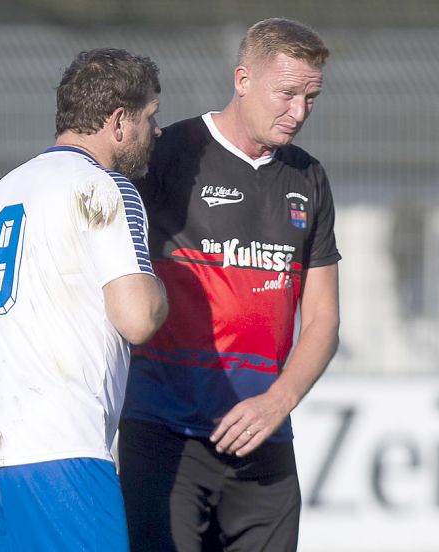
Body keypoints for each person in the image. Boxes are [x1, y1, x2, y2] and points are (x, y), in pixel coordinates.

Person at [118, 18, 341, 552]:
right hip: (164, 435)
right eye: (286, 94)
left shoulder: (308, 178)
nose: (299, 112)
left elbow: (324, 320)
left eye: (311, 97)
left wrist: (278, 402)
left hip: (263, 439)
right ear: (242, 80)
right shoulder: (171, 154)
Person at [0, 48, 167, 551]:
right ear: (118, 122)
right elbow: (137, 318)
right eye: (151, 116)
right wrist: (165, 287)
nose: (158, 130)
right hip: (61, 450)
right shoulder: (104, 187)